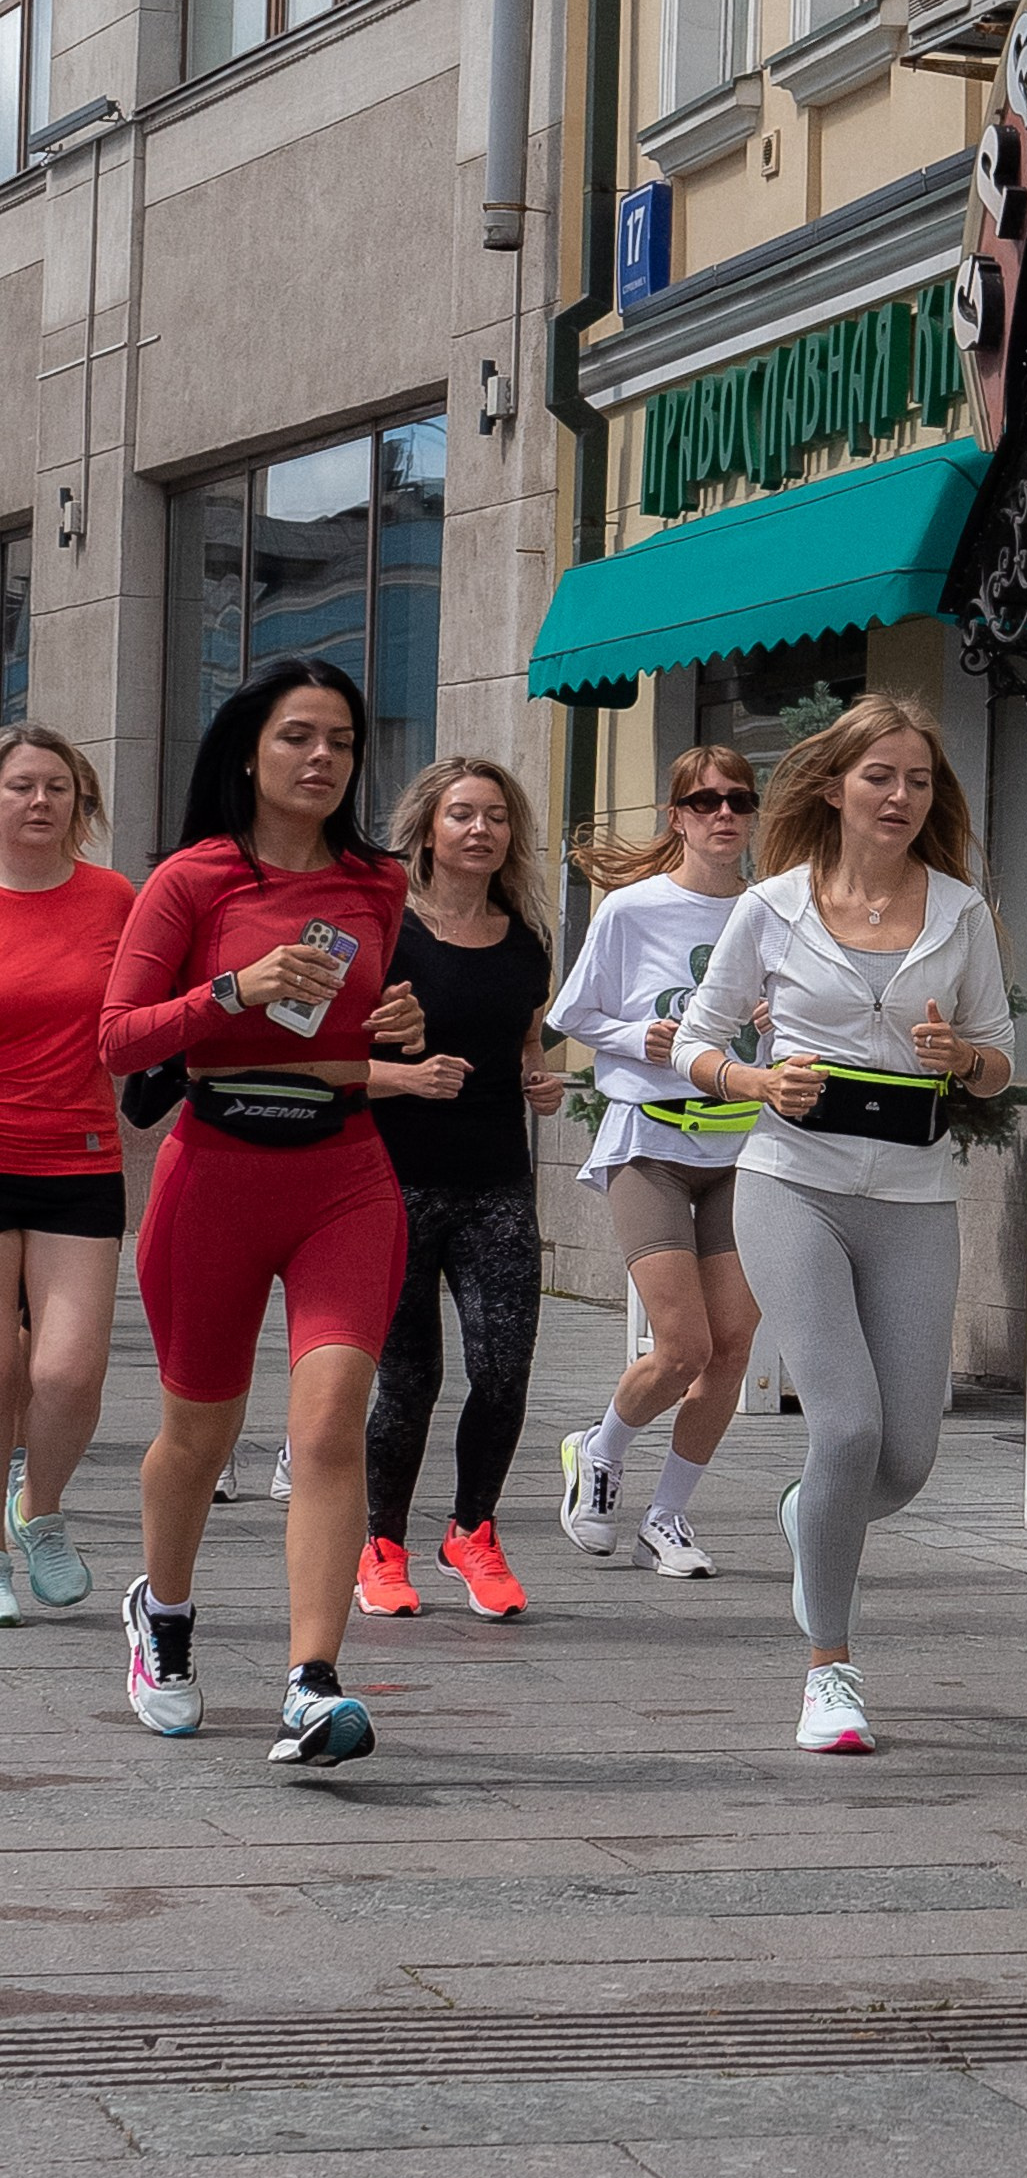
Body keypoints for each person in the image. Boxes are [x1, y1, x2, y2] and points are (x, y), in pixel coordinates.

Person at [98, 661, 424, 1761]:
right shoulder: (192, 880)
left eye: (339, 740)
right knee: (200, 1434)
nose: (321, 758)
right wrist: (233, 991)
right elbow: (118, 1038)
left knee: (332, 1422)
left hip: (345, 1173)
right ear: (250, 751)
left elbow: (358, 1031)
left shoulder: (381, 881)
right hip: (215, 1169)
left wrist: (396, 1021)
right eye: (297, 737)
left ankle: (313, 1682)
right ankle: (167, 1620)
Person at [676, 694, 1013, 1756]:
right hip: (792, 1184)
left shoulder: (961, 913)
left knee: (905, 1459)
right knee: (849, 1429)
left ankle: (807, 1517)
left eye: (917, 780)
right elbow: (692, 1040)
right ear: (835, 787)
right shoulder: (769, 906)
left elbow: (1007, 1060)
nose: (901, 797)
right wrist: (753, 1078)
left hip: (914, 1193)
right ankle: (831, 1669)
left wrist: (965, 1059)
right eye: (880, 778)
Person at [546, 748, 763, 1575]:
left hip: (742, 1147)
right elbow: (573, 1013)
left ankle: (668, 1516)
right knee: (683, 1347)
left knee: (733, 1345)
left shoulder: (772, 912)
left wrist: (779, 1019)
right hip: (652, 1141)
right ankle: (598, 1452)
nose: (722, 815)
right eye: (704, 802)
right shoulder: (633, 912)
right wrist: (641, 1036)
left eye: (738, 800)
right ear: (676, 818)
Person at [357, 758, 563, 1620]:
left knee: (504, 1372)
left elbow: (522, 1044)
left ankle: (471, 1532)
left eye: (496, 818)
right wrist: (404, 1080)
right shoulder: (385, 931)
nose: (480, 830)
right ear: (428, 829)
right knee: (409, 1378)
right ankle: (382, 1544)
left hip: (496, 1184)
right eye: (462, 815)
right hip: (395, 1181)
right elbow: (331, 1057)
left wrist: (537, 1075)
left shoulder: (524, 943)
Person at [0, 726, 134, 1619]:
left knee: (66, 1374)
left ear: (79, 804)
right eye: (19, 786)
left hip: (79, 1155)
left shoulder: (113, 898)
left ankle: (38, 1512)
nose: (39, 801)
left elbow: (149, 1010)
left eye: (57, 787)